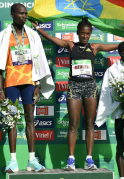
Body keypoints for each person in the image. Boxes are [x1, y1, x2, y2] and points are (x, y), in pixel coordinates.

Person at [31, 17, 119, 170]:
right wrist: (38, 29)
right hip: (74, 87)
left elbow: (115, 46)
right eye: (83, 33)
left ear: (90, 34)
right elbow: (52, 38)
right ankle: (70, 160)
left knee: (90, 124)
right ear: (78, 33)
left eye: (88, 34)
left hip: (90, 87)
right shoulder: (71, 46)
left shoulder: (94, 47)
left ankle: (89, 160)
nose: (85, 36)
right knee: (73, 124)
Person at [0, 3, 54, 173]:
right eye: (21, 14)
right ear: (12, 15)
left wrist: (38, 85)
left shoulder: (32, 35)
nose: (24, 16)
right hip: (11, 83)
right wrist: (0, 90)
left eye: (25, 14)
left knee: (30, 119)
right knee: (12, 121)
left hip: (29, 82)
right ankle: (12, 161)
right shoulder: (4, 36)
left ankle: (32, 160)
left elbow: (38, 62)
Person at [96, 42, 124, 179]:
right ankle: (122, 177)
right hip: (120, 113)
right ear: (121, 53)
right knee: (121, 144)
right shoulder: (112, 70)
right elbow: (107, 93)